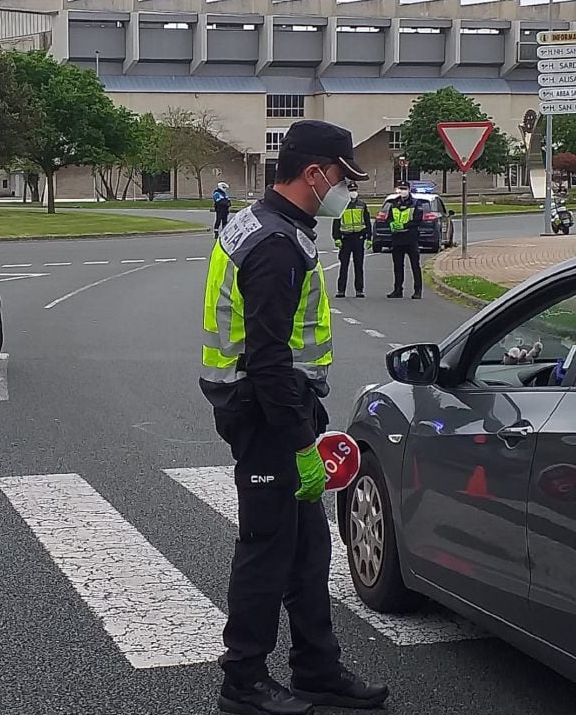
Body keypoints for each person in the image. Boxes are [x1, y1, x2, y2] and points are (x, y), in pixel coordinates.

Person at [200, 119, 389, 715]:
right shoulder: (276, 243)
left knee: (309, 550)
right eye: (342, 177)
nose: (347, 189)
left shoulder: (269, 225)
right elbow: (267, 357)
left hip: (280, 408)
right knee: (265, 548)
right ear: (314, 174)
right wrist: (300, 443)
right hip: (266, 416)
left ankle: (317, 669)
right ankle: (244, 682)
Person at [331, 182, 372, 299]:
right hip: (346, 239)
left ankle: (359, 290)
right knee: (344, 265)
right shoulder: (341, 206)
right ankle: (341, 290)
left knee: (359, 265)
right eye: (351, 190)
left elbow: (367, 222)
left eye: (354, 190)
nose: (353, 192)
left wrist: (369, 237)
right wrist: (337, 238)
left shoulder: (362, 205)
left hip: (359, 238)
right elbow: (336, 223)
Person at [386, 180, 423, 300]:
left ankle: (417, 291)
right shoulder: (394, 203)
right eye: (400, 189)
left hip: (411, 239)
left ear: (409, 189)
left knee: (415, 266)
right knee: (398, 266)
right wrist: (391, 224)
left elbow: (418, 220)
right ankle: (397, 290)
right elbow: (389, 218)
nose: (402, 191)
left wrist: (405, 226)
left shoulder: (415, 203)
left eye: (404, 189)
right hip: (397, 239)